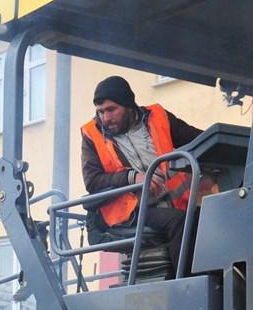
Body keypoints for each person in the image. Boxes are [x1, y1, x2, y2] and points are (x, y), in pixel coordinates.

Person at [81, 75, 203, 278]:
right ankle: (189, 285)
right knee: (178, 222)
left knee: (209, 218)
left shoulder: (158, 117)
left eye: (111, 110)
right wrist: (131, 178)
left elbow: (197, 140)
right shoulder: (91, 135)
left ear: (129, 105)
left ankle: (220, 280)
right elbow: (92, 181)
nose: (105, 118)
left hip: (172, 202)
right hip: (130, 211)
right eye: (100, 111)